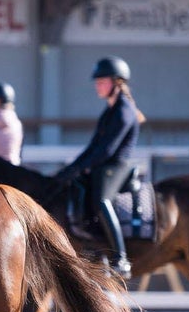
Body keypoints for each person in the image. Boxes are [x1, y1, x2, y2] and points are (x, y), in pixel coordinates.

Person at [52, 56, 144, 280]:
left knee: (101, 200)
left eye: (102, 81)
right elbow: (93, 147)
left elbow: (106, 151)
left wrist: (80, 168)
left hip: (116, 166)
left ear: (117, 82)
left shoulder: (123, 111)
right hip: (103, 164)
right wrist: (72, 169)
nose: (97, 86)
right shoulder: (110, 110)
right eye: (97, 82)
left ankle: (120, 258)